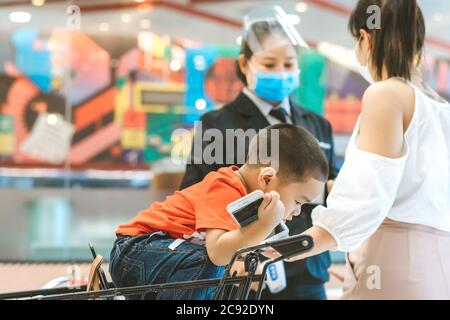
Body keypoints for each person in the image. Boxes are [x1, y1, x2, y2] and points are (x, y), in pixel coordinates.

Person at [267, 0, 450, 299]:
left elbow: (363, 203)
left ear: (365, 38)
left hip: (391, 262)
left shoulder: (386, 94)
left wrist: (280, 250)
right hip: (438, 266)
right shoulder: (441, 107)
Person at [180, 5, 338, 300]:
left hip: (308, 269)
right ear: (245, 63)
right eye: (269, 64)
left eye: (289, 64)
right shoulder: (218, 126)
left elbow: (334, 189)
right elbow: (195, 197)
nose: (281, 73)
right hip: (244, 273)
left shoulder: (318, 125)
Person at [109, 124, 329, 300]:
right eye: (299, 201)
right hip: (134, 249)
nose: (298, 212)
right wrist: (264, 225)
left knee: (219, 275)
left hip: (161, 257)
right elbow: (217, 253)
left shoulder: (246, 203)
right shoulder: (225, 187)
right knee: (208, 265)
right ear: (267, 178)